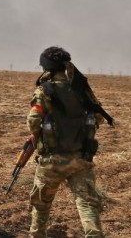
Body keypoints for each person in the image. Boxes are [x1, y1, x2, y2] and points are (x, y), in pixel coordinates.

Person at [27, 46, 105, 237]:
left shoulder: (44, 90)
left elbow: (33, 121)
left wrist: (38, 135)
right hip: (80, 159)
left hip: (52, 161)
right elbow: (99, 116)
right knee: (87, 205)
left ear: (47, 67)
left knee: (41, 205)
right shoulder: (81, 89)